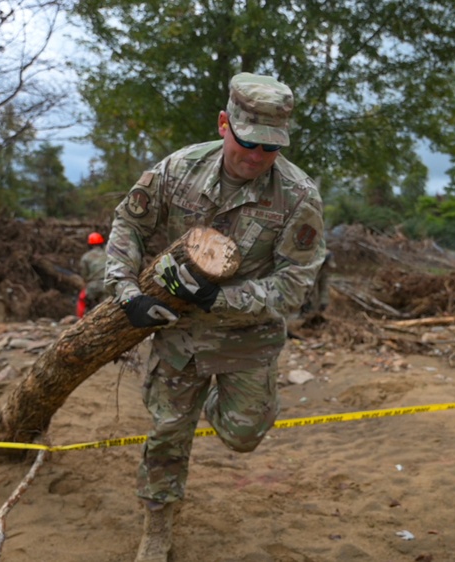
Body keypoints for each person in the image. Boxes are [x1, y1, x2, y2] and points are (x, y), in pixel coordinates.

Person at [104, 72, 326, 562]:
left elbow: (295, 284)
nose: (256, 157)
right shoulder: (179, 169)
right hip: (177, 334)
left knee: (243, 435)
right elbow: (129, 223)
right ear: (225, 124)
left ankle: (211, 403)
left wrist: (220, 300)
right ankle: (157, 528)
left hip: (247, 338)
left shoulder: (298, 196)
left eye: (269, 148)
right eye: (247, 142)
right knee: (167, 432)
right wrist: (126, 293)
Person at [77, 231, 108, 317]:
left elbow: (84, 276)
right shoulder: (108, 253)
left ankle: (82, 319)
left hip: (94, 286)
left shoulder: (86, 257)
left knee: (83, 300)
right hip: (109, 283)